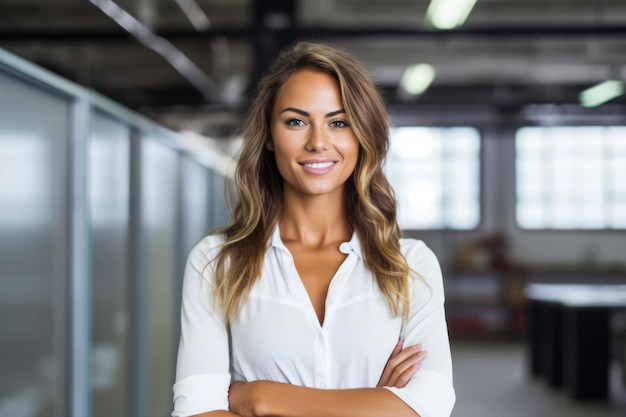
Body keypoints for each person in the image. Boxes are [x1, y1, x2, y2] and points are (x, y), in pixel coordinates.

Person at [172, 41, 455, 417]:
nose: (318, 142)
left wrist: (260, 398)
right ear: (269, 136)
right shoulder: (216, 262)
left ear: (362, 136)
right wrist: (374, 403)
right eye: (296, 121)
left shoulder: (411, 265)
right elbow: (197, 411)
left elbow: (430, 405)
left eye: (338, 123)